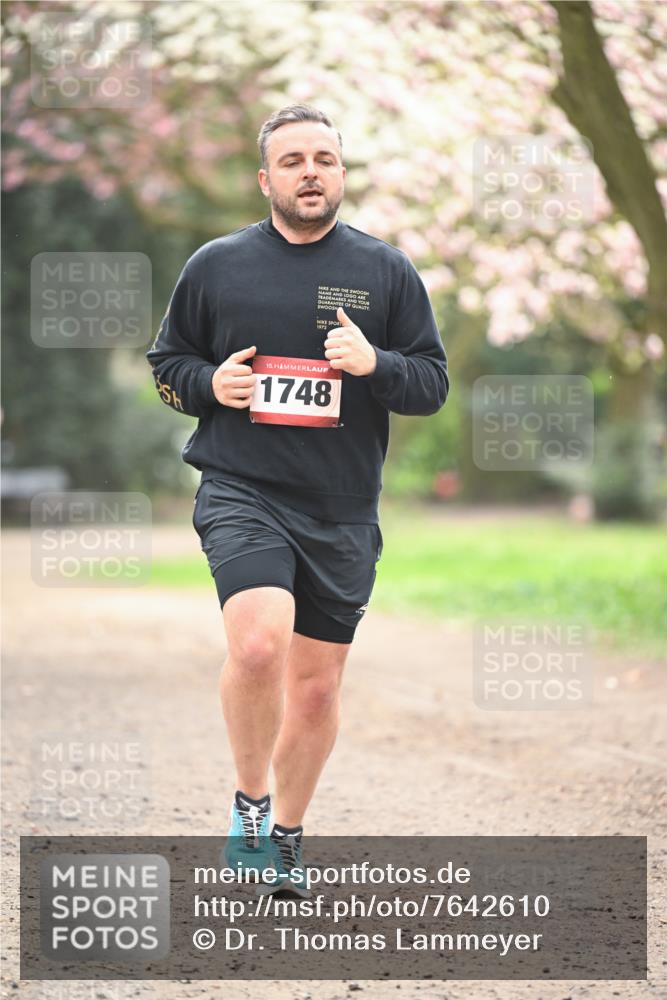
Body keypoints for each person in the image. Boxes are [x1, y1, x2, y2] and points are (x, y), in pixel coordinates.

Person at [146, 104, 448, 893]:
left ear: (341, 173)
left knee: (314, 689)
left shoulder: (387, 272)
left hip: (341, 506)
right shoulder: (216, 265)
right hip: (242, 487)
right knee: (257, 645)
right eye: (292, 160)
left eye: (323, 158)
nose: (309, 171)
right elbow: (168, 363)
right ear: (265, 179)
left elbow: (430, 384)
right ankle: (249, 808)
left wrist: (374, 362)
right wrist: (208, 382)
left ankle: (286, 836)